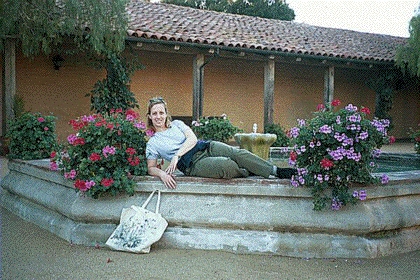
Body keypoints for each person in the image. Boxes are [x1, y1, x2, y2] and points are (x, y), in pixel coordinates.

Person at [145, 97, 297, 189]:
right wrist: (162, 174)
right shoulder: (153, 143)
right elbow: (151, 168)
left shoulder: (177, 124)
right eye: (154, 113)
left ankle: (276, 171)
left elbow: (192, 139)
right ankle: (247, 171)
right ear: (150, 116)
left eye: (161, 112)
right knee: (226, 165)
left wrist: (177, 155)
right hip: (192, 164)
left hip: (204, 146)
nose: (158, 116)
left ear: (166, 114)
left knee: (238, 153)